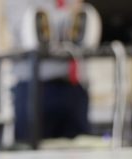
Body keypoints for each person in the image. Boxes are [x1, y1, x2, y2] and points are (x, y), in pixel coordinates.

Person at [6, 0, 91, 143]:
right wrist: (70, 16)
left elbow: (82, 29)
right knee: (31, 156)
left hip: (73, 87)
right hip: (35, 88)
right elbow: (33, 30)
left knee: (79, 154)